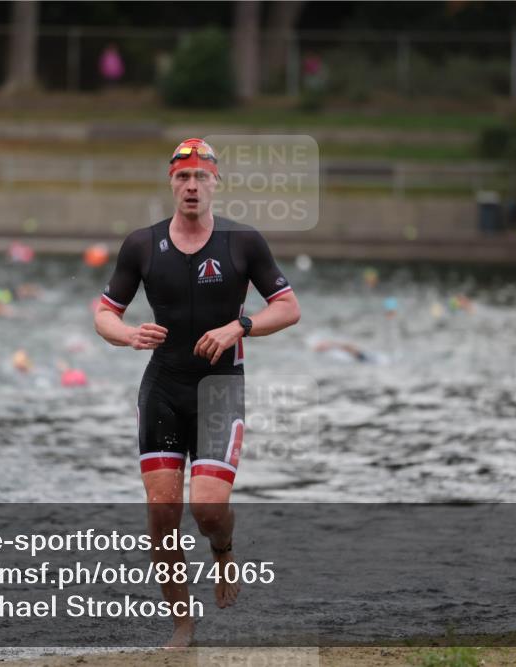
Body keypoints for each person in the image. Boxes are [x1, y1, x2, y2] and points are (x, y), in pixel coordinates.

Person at [94, 138, 300, 647]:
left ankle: (223, 549)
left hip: (219, 388)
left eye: (201, 177)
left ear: (215, 183)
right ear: (171, 183)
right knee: (162, 513)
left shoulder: (242, 242)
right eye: (183, 177)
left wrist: (240, 326)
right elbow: (104, 314)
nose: (192, 186)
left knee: (207, 509)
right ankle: (183, 624)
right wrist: (128, 335)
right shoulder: (141, 245)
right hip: (163, 387)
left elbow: (288, 307)